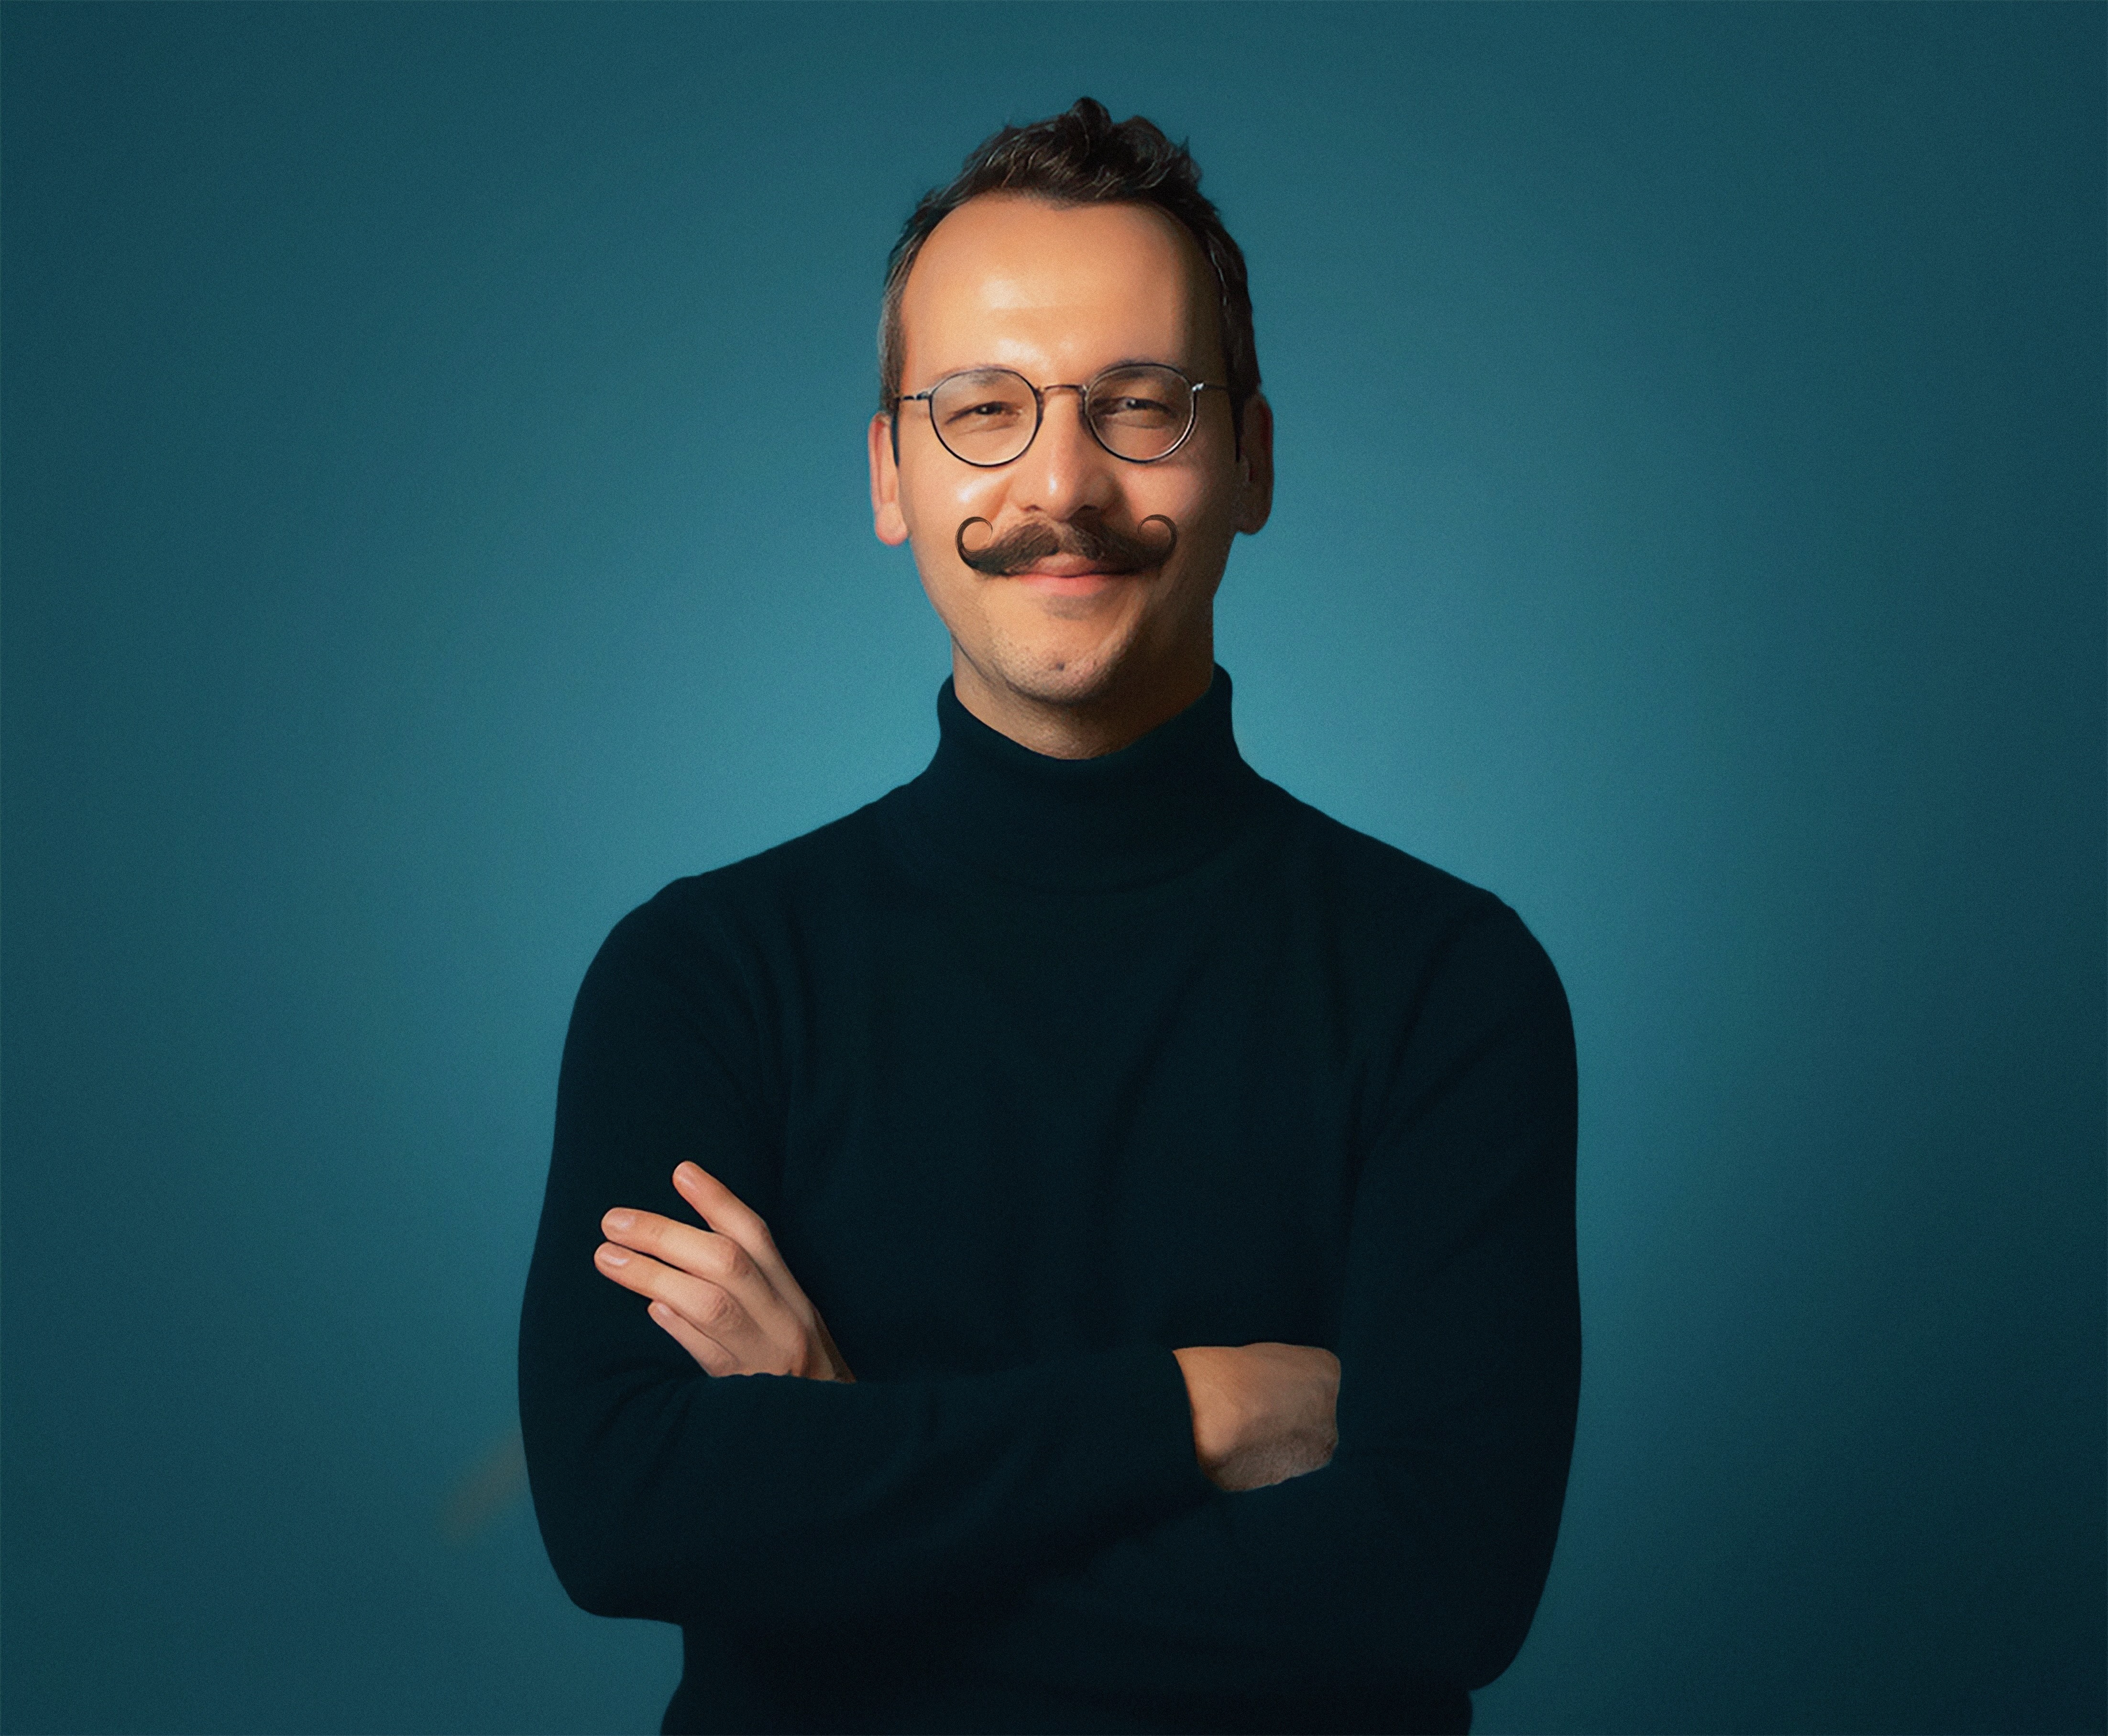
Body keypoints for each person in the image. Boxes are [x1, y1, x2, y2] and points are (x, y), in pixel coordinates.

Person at [518, 98, 1580, 1736]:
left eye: (1141, 406)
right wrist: (1191, 1413)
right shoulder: (702, 978)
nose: (1062, 483)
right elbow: (624, 1515)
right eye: (981, 410)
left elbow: (1441, 1584)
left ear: (1253, 462)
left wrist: (845, 1474)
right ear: (890, 473)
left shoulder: (1449, 982)